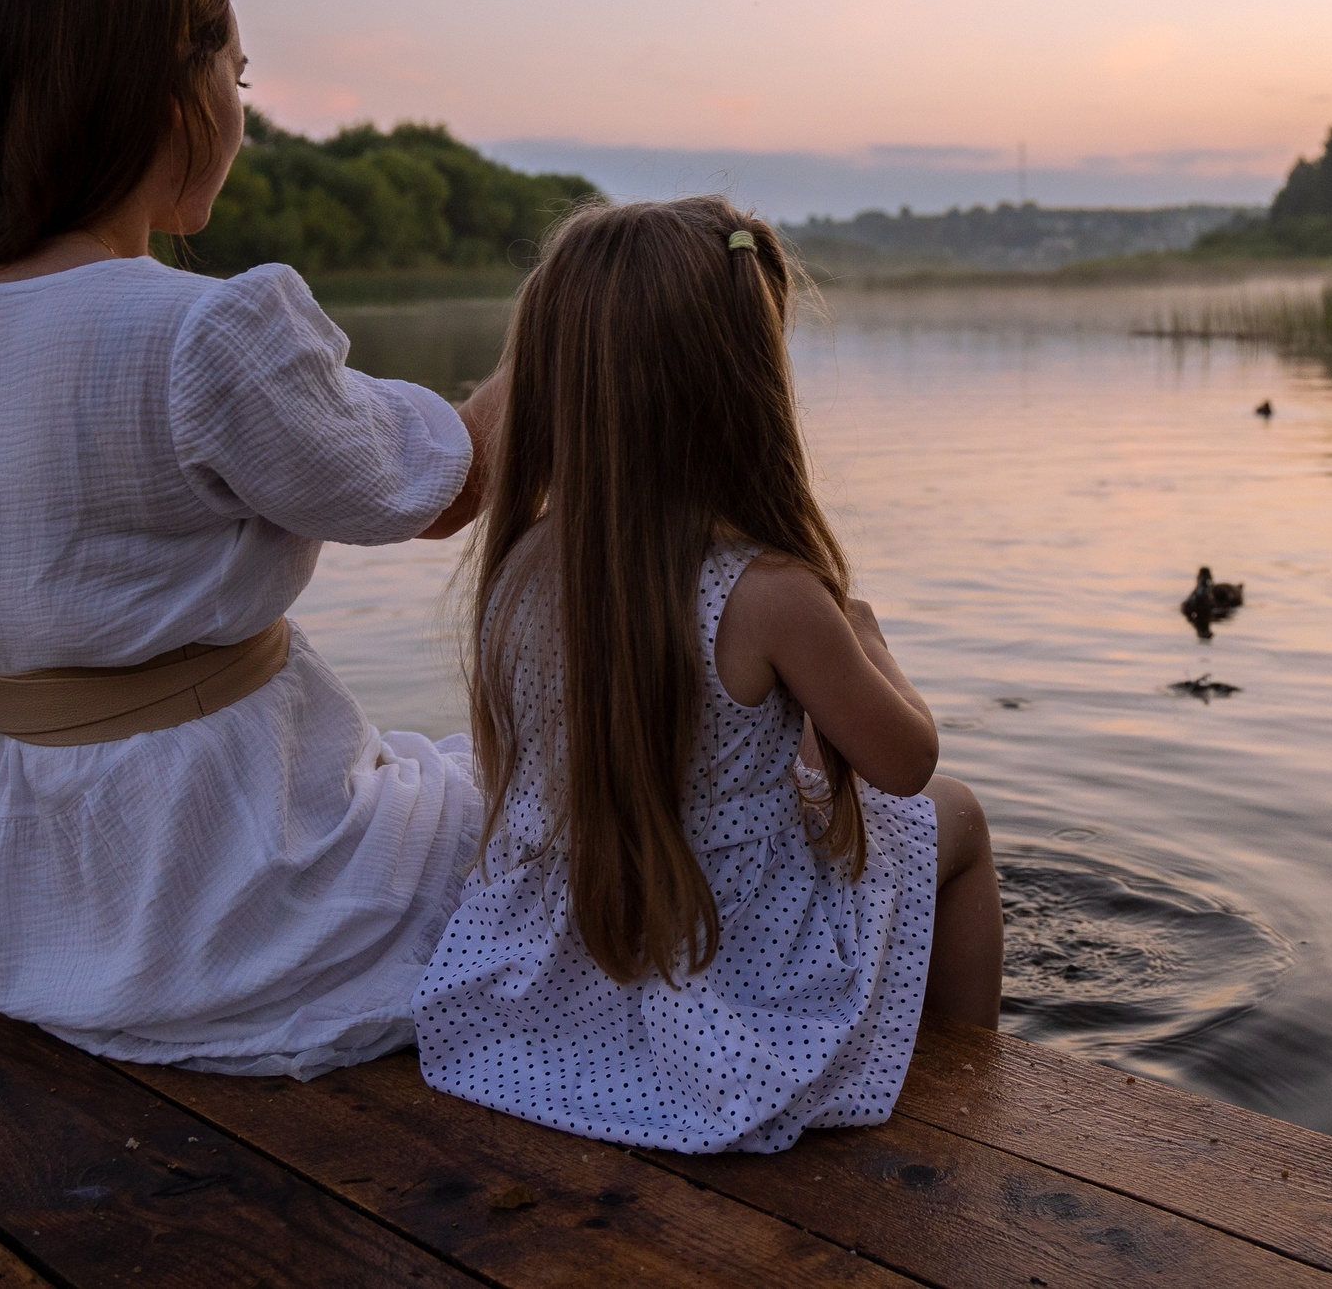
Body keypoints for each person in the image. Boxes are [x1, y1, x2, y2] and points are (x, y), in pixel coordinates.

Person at [0, 0, 502, 1077]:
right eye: (239, 72)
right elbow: (438, 490)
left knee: (456, 774)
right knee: (565, 810)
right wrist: (556, 342)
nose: (245, 108)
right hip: (243, 898)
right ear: (173, 96)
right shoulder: (206, 331)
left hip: (36, 910)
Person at [413, 197, 1002, 1153]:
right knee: (960, 820)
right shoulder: (769, 595)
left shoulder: (522, 567)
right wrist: (873, 644)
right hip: (724, 979)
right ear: (743, 383)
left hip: (559, 979)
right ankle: (973, 1106)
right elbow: (906, 762)